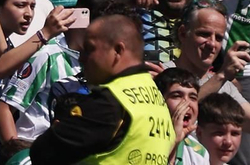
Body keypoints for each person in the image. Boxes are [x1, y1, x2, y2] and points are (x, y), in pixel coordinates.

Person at [27, 14, 176, 161]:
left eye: (90, 49)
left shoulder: (110, 101)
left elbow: (42, 151)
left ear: (117, 50)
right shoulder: (158, 99)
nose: (81, 58)